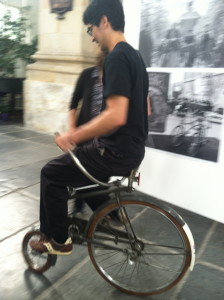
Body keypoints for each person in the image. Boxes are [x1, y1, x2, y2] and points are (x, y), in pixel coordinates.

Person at [30, 0, 148, 256]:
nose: (92, 37)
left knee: (51, 173)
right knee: (84, 182)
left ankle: (58, 239)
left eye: (90, 29)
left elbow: (115, 116)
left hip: (114, 151)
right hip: (132, 151)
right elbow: (143, 110)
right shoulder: (135, 56)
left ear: (104, 21)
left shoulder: (116, 57)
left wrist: (73, 136)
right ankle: (103, 219)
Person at [68, 51, 106, 214]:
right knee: (80, 171)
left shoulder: (117, 79)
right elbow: (73, 102)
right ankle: (78, 207)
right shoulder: (86, 75)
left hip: (105, 137)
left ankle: (104, 211)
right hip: (84, 134)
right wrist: (72, 129)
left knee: (101, 176)